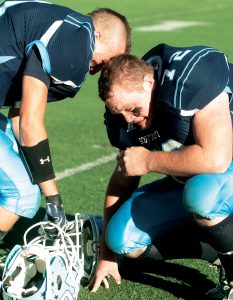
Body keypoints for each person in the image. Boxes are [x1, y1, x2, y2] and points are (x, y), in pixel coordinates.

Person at [89, 44, 233, 299]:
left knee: (203, 194)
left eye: (132, 109)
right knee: (121, 238)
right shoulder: (125, 119)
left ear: (149, 82)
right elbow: (122, 182)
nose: (129, 120)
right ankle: (217, 248)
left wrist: (148, 162)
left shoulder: (190, 78)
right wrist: (107, 255)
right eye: (119, 113)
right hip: (188, 184)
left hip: (219, 173)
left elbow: (216, 158)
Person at [0, 1, 131, 242]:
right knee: (23, 196)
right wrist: (54, 200)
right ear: (97, 32)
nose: (106, 67)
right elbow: (29, 123)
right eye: (113, 56)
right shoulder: (76, 40)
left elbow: (19, 122)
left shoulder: (56, 22)